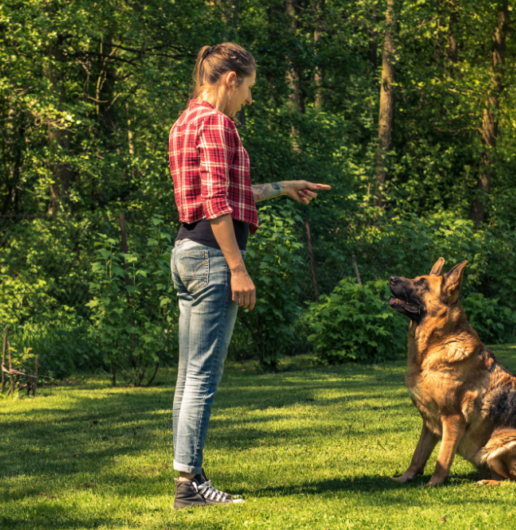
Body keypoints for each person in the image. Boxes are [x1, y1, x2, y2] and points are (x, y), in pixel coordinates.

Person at [168, 42, 331, 510]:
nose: (250, 100)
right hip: (212, 258)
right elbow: (218, 203)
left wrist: (284, 188)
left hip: (186, 250)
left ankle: (189, 474)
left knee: (187, 378)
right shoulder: (218, 124)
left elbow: (228, 193)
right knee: (202, 377)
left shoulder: (185, 122)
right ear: (230, 79)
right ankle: (189, 485)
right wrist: (238, 268)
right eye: (250, 89)